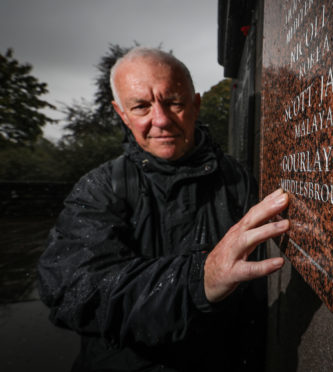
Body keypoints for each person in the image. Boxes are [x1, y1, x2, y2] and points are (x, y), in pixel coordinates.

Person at [37, 47, 290, 371]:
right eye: (141, 106)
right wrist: (201, 279)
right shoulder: (99, 189)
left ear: (195, 105)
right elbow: (72, 291)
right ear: (122, 114)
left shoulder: (238, 181)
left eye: (174, 102)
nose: (161, 119)